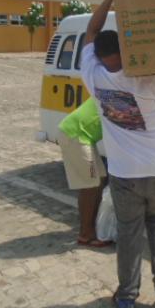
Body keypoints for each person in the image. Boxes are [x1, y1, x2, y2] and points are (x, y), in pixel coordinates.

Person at [80, 0, 155, 308]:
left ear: (97, 54)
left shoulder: (92, 75)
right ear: (125, 51)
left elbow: (91, 31)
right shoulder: (147, 80)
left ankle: (126, 296)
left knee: (130, 231)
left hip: (124, 172)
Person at [58, 97, 110, 248]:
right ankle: (86, 234)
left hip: (84, 137)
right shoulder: (118, 96)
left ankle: (91, 227)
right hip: (75, 135)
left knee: (100, 180)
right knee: (90, 185)